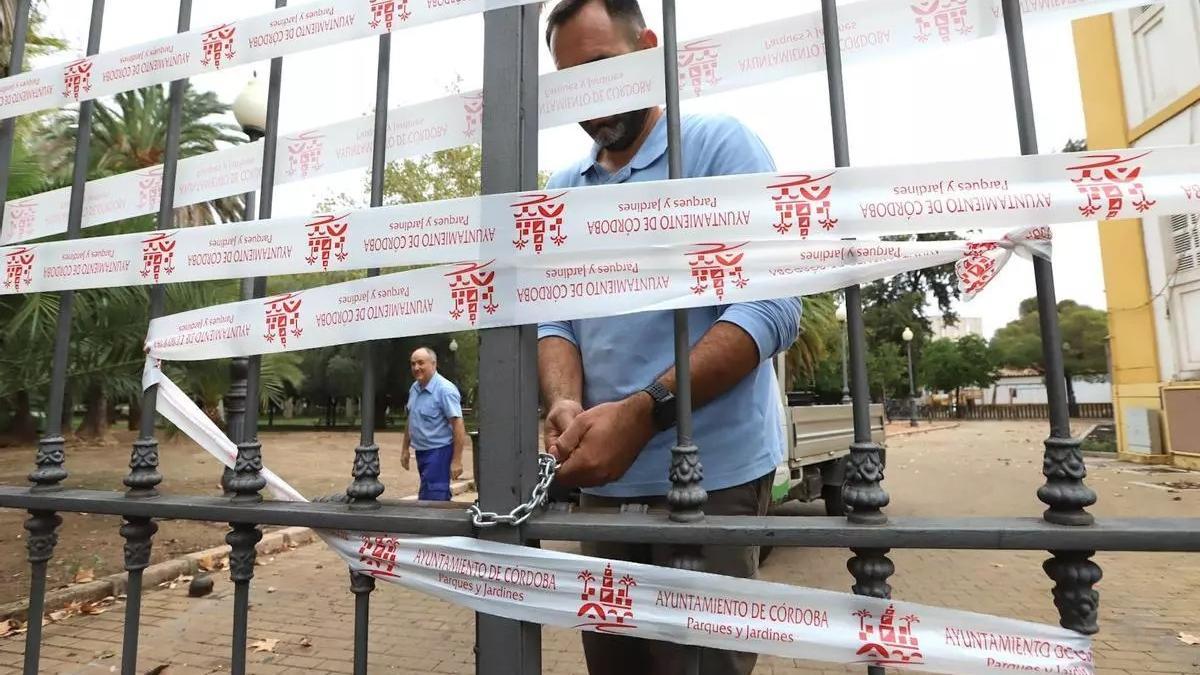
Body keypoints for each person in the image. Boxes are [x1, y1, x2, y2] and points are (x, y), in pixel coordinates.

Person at [537, 1, 802, 674]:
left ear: (650, 49)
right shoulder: (565, 188)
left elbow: (771, 305)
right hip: (604, 479)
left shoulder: (718, 148)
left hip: (714, 480)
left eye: (601, 69)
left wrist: (644, 411)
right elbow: (554, 318)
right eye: (571, 82)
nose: (589, 99)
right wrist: (566, 400)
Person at [401, 347, 466, 501]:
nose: (416, 368)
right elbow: (411, 418)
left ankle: (436, 525)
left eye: (421, 363)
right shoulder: (415, 388)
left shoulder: (445, 390)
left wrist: (456, 460)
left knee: (432, 499)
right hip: (421, 452)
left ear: (434, 364)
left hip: (439, 452)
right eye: (413, 364)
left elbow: (458, 424)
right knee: (433, 495)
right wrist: (405, 448)